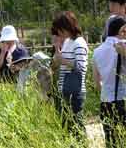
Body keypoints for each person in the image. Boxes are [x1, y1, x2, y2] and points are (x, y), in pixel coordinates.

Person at [52, 11, 88, 140]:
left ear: (68, 26)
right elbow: (60, 65)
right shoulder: (67, 42)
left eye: (60, 30)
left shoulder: (79, 42)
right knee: (67, 128)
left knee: (77, 127)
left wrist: (63, 60)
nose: (59, 33)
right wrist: (57, 54)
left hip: (75, 91)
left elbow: (81, 67)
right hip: (64, 90)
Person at [93, 18, 126, 148]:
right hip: (123, 99)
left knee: (111, 140)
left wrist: (107, 93)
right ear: (121, 30)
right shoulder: (122, 44)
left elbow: (97, 80)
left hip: (105, 101)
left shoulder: (97, 51)